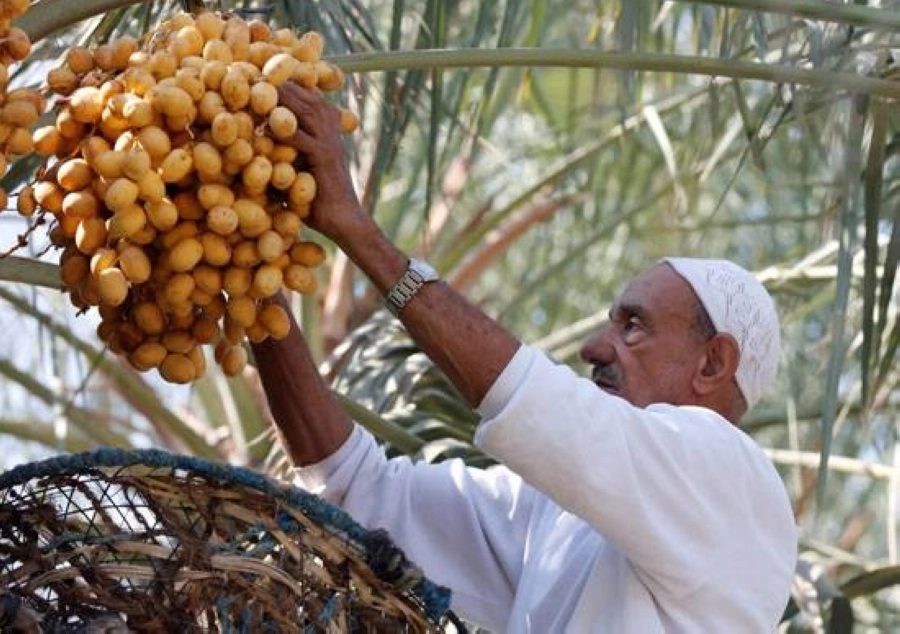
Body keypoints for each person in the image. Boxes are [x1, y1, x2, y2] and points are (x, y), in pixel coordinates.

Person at [251, 82, 799, 633]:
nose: (594, 348)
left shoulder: (730, 480)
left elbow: (537, 398)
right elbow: (362, 489)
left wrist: (356, 229)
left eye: (634, 326)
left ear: (711, 364)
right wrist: (256, 284)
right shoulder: (557, 519)